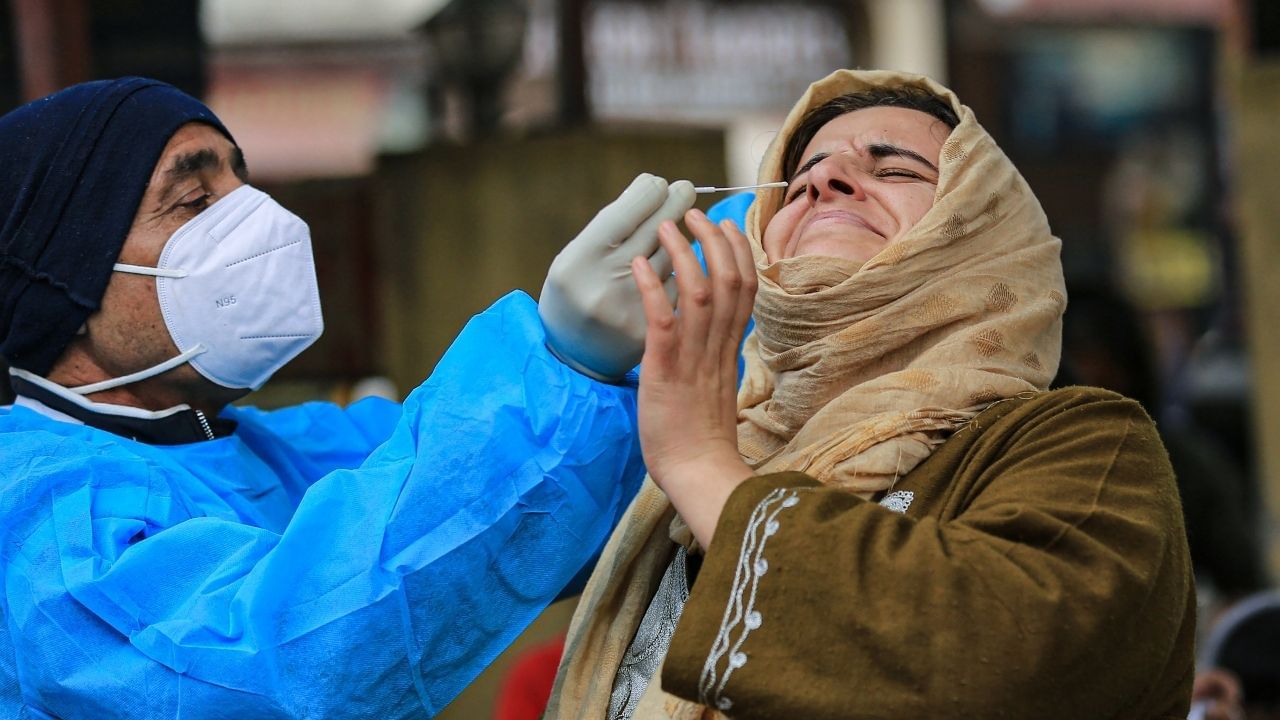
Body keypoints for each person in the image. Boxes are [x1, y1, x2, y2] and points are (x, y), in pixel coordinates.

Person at [0, 77, 696, 718]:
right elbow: (278, 672)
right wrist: (563, 368)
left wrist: (757, 263)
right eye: (194, 200)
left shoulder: (270, 452)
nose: (255, 222)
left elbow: (527, 503)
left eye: (242, 182)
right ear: (70, 278)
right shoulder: (43, 524)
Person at [546, 69, 1196, 718]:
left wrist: (705, 470)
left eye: (897, 170)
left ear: (982, 232)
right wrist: (571, 366)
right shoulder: (680, 463)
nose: (825, 181)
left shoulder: (1086, 443)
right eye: (799, 181)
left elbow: (1007, 660)